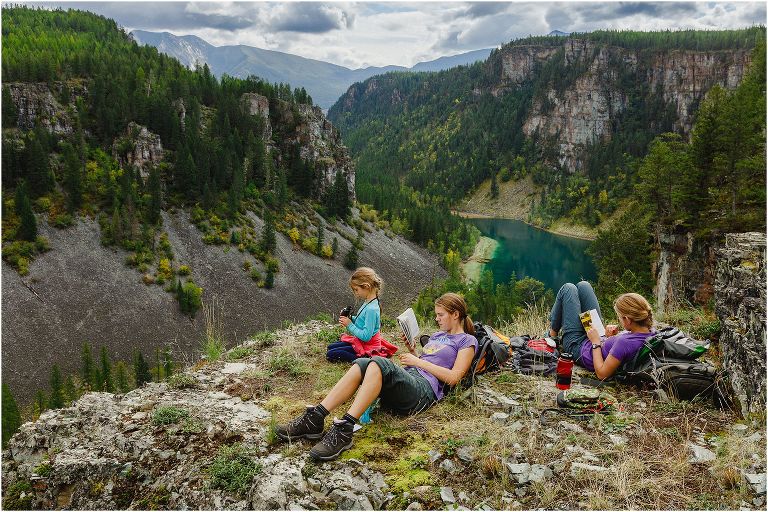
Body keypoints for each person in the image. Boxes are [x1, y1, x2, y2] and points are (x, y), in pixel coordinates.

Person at [277, 292, 478, 461]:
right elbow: (430, 362)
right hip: (411, 380)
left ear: (455, 314)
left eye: (440, 315)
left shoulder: (467, 341)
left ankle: (345, 428)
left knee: (379, 362)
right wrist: (414, 352)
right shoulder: (436, 336)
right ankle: (316, 417)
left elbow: (454, 377)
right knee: (363, 363)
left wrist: (418, 362)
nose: (437, 319)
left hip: (424, 391)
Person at [549, 281, 654, 380]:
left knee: (568, 288)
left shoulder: (624, 343)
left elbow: (601, 374)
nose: (619, 320)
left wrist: (595, 342)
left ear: (627, 320)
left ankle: (552, 336)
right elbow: (622, 350)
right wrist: (611, 337)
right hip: (597, 337)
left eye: (620, 318)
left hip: (578, 346)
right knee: (584, 286)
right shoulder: (650, 332)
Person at [326, 267, 397, 362]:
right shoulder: (369, 301)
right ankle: (359, 354)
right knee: (330, 347)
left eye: (356, 289)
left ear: (366, 286)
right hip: (361, 342)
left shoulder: (371, 309)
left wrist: (349, 325)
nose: (356, 293)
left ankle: (364, 359)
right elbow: (362, 320)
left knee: (330, 354)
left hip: (368, 347)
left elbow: (366, 336)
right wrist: (351, 318)